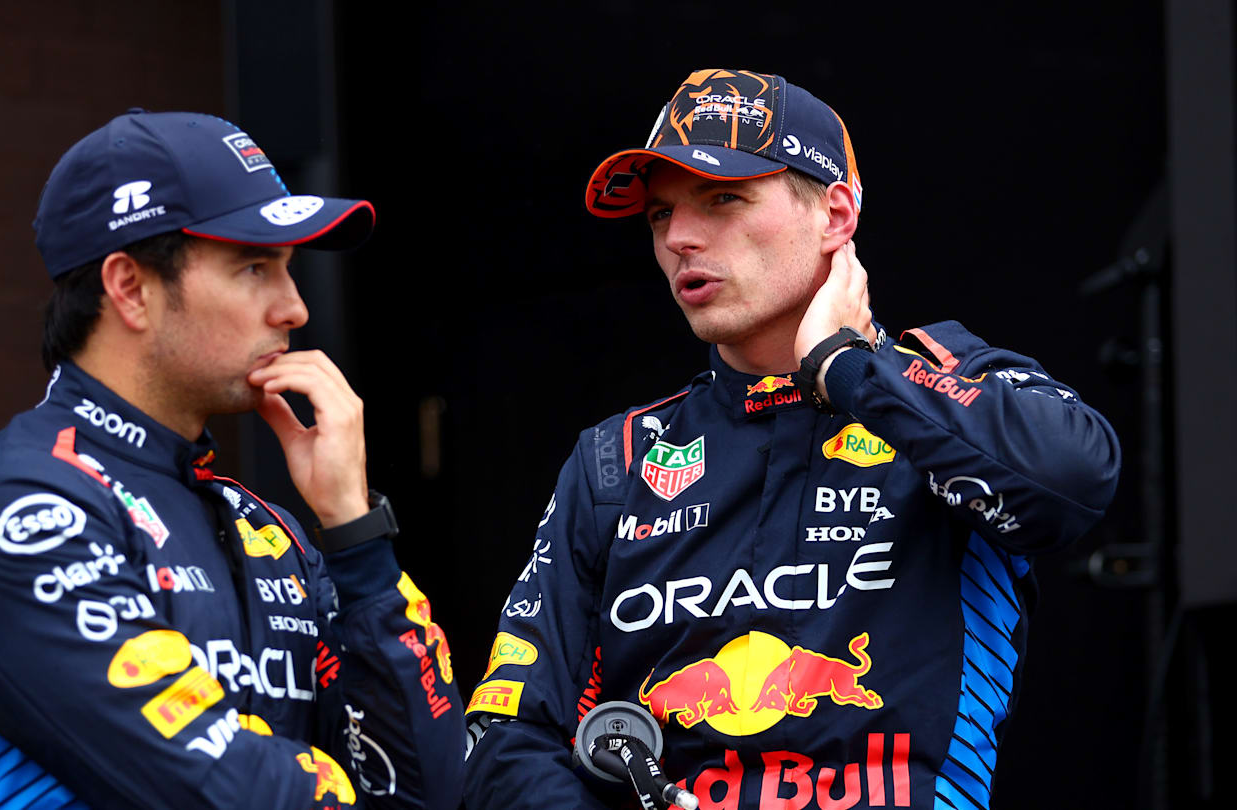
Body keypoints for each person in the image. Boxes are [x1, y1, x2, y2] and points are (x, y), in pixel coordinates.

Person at [462, 69, 1120, 809]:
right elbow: (505, 738)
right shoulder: (618, 459)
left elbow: (1074, 484)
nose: (679, 237)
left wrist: (847, 370)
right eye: (659, 215)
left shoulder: (953, 385)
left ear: (835, 215)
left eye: (724, 198)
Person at [0, 110, 463, 810]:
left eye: (288, 269)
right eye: (254, 267)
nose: (294, 308)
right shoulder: (22, 505)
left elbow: (430, 787)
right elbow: (216, 793)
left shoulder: (272, 533)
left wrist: (352, 531)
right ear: (130, 289)